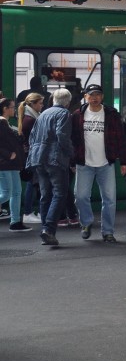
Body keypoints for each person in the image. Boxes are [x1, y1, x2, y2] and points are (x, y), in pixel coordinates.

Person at [70, 84, 126, 242]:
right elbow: (73, 140)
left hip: (106, 163)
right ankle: (86, 223)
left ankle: (108, 231)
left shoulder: (111, 114)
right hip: (84, 164)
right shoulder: (77, 115)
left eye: (98, 94)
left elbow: (122, 139)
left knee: (109, 199)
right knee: (81, 196)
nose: (95, 98)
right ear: (85, 97)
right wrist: (72, 160)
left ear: (102, 97)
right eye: (91, 95)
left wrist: (124, 161)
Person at [25, 88, 74, 246]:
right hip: (55, 159)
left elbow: (32, 137)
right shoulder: (64, 114)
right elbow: (62, 135)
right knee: (60, 194)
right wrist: (71, 154)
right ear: (67, 102)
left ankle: (45, 230)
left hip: (39, 159)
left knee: (45, 195)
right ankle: (48, 229)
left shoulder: (43, 113)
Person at [0, 97, 31, 231]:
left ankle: (15, 221)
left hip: (12, 163)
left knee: (16, 192)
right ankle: (15, 221)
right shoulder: (2, 123)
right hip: (5, 163)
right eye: (12, 107)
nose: (14, 109)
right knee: (7, 193)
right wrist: (8, 154)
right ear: (5, 109)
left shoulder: (6, 123)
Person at [17, 93, 44, 222]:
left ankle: (31, 211)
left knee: (33, 184)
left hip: (30, 154)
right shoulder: (31, 119)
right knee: (32, 184)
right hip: (33, 155)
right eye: (40, 103)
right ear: (33, 104)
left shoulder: (28, 117)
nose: (42, 106)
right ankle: (28, 212)